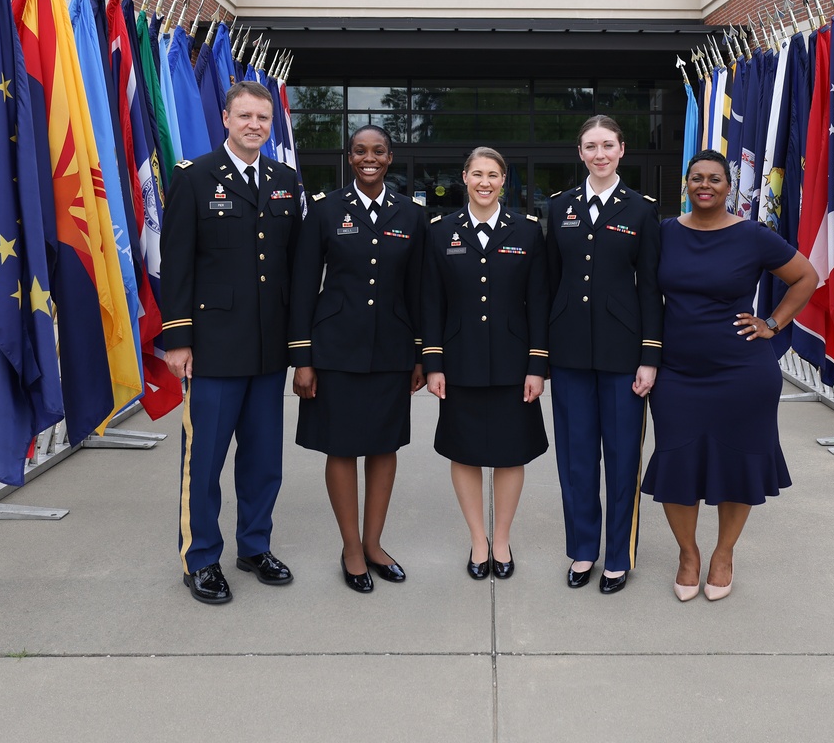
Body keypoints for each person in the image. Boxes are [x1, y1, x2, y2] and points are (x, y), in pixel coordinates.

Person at [642, 149, 817, 601]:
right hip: (677, 373)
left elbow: (806, 277)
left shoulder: (753, 236)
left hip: (742, 372)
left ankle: (723, 554)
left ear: (728, 186)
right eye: (696, 177)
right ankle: (688, 555)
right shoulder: (664, 233)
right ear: (685, 184)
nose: (705, 185)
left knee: (738, 464)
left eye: (715, 179)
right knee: (678, 462)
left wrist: (772, 324)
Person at [161, 80, 302, 605]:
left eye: (263, 118)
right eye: (244, 116)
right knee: (205, 461)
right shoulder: (195, 178)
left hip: (268, 350)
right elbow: (175, 264)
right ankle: (200, 559)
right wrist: (177, 338)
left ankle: (254, 546)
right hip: (213, 350)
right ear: (225, 119)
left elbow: (291, 265)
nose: (254, 126)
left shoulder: (286, 182)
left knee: (264, 459)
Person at [288, 125, 426, 594]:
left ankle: (374, 544)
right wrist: (302, 356)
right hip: (335, 352)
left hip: (392, 350)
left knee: (384, 446)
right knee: (342, 447)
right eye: (360, 151)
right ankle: (350, 548)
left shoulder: (411, 214)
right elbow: (304, 285)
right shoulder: (325, 212)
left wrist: (422, 353)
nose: (370, 158)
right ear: (350, 158)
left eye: (379, 151)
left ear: (390, 158)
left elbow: (419, 290)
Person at [546, 115, 663, 595]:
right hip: (569, 353)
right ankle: (582, 550)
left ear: (621, 150)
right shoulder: (557, 208)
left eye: (607, 145)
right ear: (580, 152)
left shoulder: (641, 210)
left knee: (620, 461)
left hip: (623, 357)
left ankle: (618, 556)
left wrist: (650, 356)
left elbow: (652, 287)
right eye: (591, 146)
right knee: (575, 462)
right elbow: (548, 283)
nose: (599, 154)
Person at [423, 147, 549, 580]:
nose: (484, 182)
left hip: (516, 363)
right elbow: (431, 301)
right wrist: (433, 362)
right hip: (459, 361)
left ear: (503, 181)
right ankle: (479, 541)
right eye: (477, 174)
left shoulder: (528, 231)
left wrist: (537, 365)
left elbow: (540, 302)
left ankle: (503, 538)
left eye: (493, 175)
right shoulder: (440, 232)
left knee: (512, 453)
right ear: (464, 177)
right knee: (465, 450)